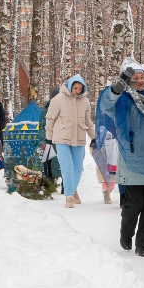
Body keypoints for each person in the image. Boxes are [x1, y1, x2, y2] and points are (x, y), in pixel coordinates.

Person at [97, 58, 144, 257]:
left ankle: (143, 244)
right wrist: (117, 89)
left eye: (142, 76)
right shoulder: (122, 98)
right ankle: (126, 234)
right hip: (133, 158)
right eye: (134, 78)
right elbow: (105, 105)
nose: (140, 81)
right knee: (133, 204)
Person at [46, 75, 92, 209]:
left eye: (80, 88)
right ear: (70, 86)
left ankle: (73, 189)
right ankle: (69, 196)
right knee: (67, 167)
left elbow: (88, 121)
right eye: (75, 88)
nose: (77, 91)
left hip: (79, 137)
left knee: (78, 167)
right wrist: (48, 138)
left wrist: (94, 137)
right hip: (62, 137)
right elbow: (50, 119)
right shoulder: (58, 99)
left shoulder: (85, 101)